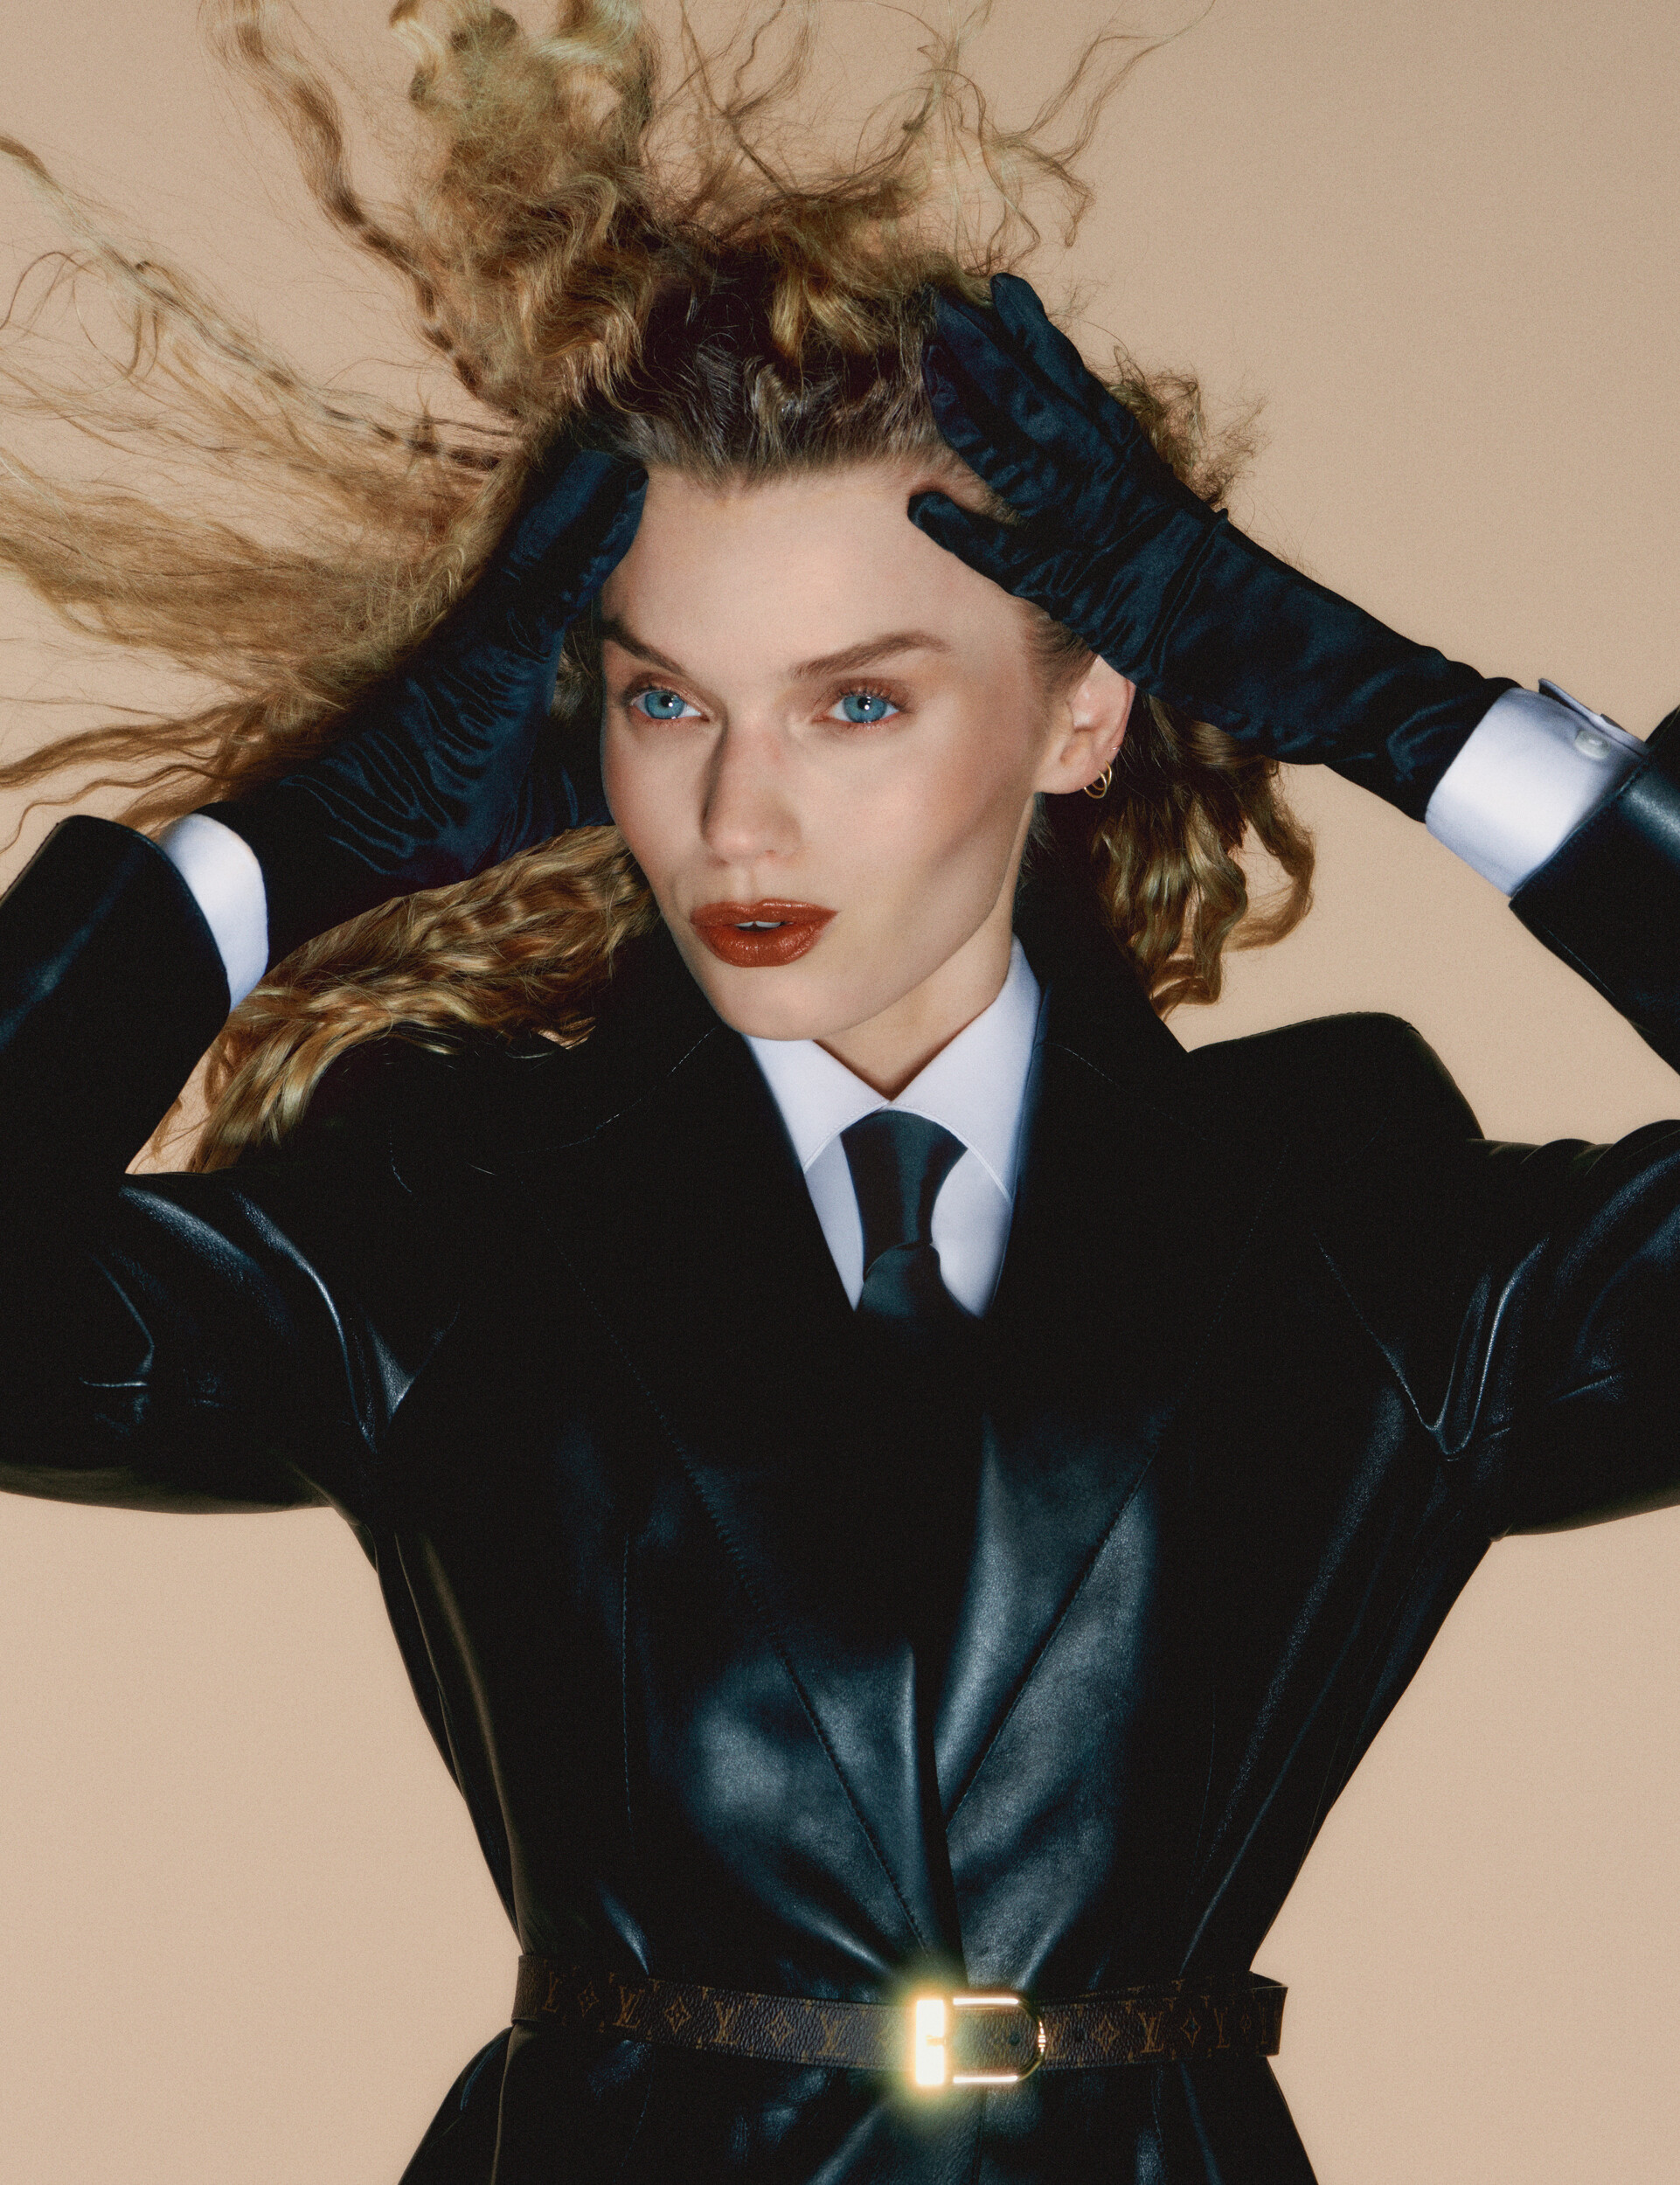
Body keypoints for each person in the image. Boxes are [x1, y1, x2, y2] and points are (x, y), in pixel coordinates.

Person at [2, 3, 1677, 2181]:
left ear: (1079, 717)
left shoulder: (1345, 1211)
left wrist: (1406, 719)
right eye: (666, 701)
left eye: (857, 702)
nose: (737, 815)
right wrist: (299, 842)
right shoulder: (457, 1205)